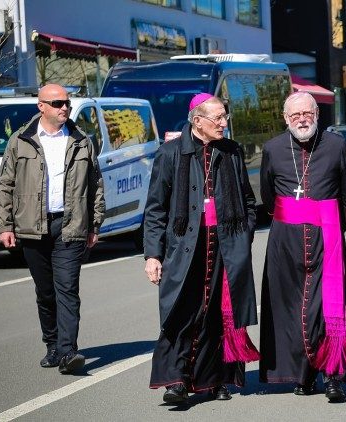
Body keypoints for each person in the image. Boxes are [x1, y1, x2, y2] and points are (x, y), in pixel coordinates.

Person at [143, 93, 259, 403]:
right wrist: (153, 254)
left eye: (225, 117)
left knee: (219, 314)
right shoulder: (170, 154)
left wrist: (244, 234)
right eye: (218, 118)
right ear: (198, 121)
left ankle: (215, 378)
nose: (224, 123)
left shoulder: (231, 152)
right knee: (182, 311)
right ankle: (176, 379)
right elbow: (155, 209)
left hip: (226, 245)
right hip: (185, 246)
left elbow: (248, 200)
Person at [259, 92, 346, 403]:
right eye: (295, 115)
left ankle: (333, 375)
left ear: (317, 113)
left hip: (327, 239)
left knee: (329, 308)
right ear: (285, 118)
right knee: (291, 309)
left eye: (307, 113)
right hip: (285, 243)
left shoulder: (336, 145)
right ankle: (302, 374)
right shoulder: (273, 149)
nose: (302, 119)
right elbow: (268, 198)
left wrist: (330, 223)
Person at [0, 83, 105, 375]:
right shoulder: (21, 140)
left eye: (66, 102)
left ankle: (69, 352)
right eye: (56, 103)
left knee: (67, 289)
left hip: (70, 225)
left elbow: (95, 185)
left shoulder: (82, 140)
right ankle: (53, 344)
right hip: (32, 227)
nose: (64, 107)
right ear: (41, 106)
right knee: (45, 292)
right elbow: (5, 185)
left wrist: (94, 223)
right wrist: (4, 225)